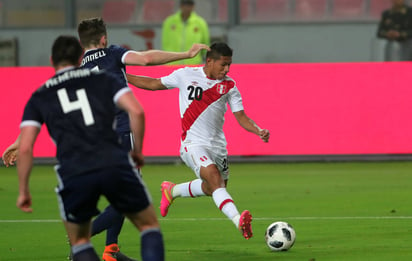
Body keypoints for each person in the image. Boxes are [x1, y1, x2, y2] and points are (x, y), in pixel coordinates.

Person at [3, 17, 209, 261]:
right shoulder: (112, 54)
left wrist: (18, 141)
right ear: (103, 39)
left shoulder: (77, 70)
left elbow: (49, 106)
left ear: (82, 44)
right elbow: (145, 59)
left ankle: (111, 249)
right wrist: (186, 53)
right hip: (118, 135)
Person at [15, 35, 164, 261]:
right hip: (113, 160)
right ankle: (110, 246)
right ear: (79, 58)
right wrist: (138, 152)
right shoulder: (105, 79)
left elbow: (25, 148)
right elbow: (137, 111)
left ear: (51, 59)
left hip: (74, 170)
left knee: (80, 242)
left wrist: (24, 190)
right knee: (149, 225)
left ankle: (108, 248)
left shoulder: (40, 95)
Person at [126, 42, 270, 240]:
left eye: (229, 65)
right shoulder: (185, 75)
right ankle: (238, 221)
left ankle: (172, 190)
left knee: (214, 187)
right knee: (213, 179)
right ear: (209, 61)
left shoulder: (229, 86)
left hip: (218, 146)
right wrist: (123, 77)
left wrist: (258, 130)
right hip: (192, 144)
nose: (227, 69)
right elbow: (153, 84)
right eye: (223, 65)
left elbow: (241, 117)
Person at [162, 0, 210, 65]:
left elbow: (205, 44)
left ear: (193, 6)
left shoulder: (200, 23)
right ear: (181, 6)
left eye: (189, 4)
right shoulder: (169, 22)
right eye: (185, 4)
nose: (187, 7)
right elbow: (165, 43)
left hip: (193, 64)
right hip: (172, 64)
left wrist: (198, 58)